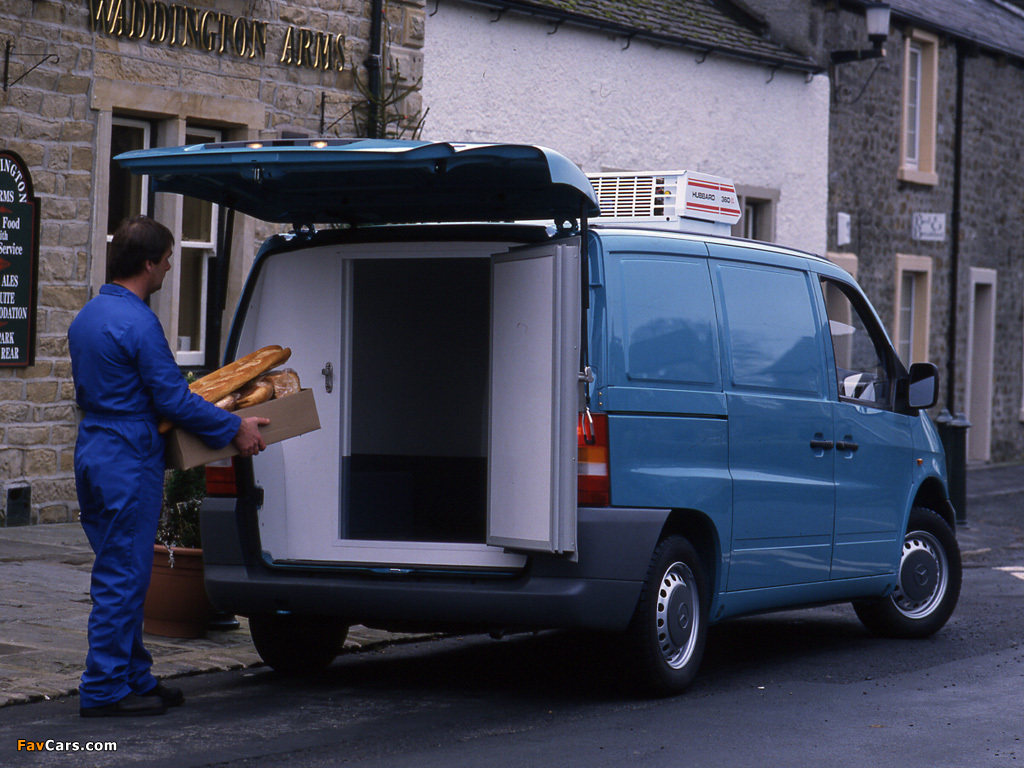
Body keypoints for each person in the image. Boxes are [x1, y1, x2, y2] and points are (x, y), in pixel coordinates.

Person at [68, 216, 268, 718]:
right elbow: (173, 400)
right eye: (168, 260)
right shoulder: (139, 322)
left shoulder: (87, 316)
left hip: (93, 446)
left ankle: (134, 675)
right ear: (149, 263)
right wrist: (235, 429)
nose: (171, 268)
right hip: (128, 453)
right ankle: (104, 688)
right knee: (124, 575)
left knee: (121, 569)